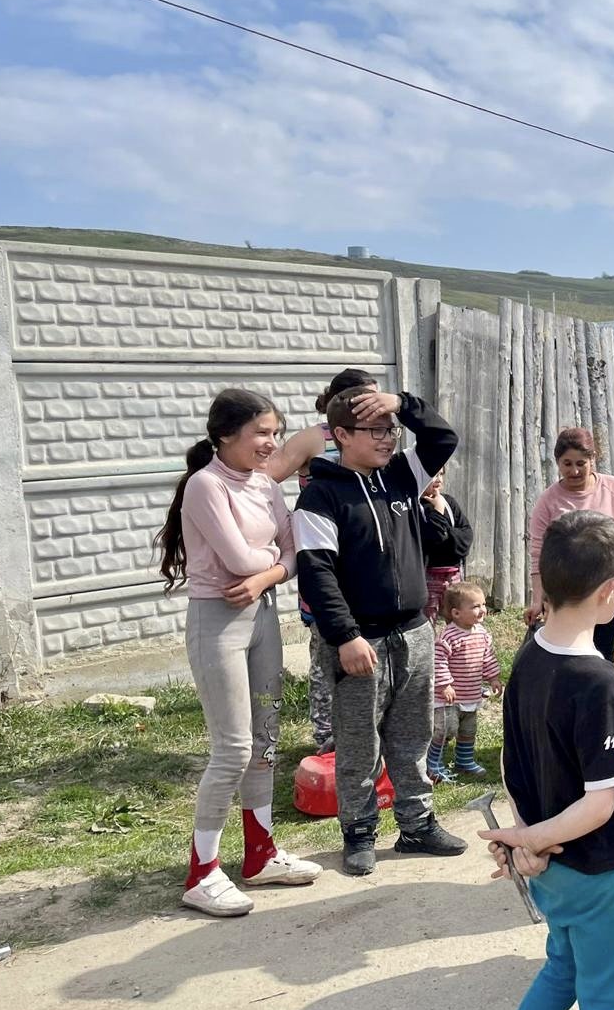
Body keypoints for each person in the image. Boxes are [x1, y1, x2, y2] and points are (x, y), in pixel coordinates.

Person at [471, 510, 614, 1010]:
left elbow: (511, 761)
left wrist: (529, 840)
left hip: (550, 865)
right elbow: (600, 805)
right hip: (599, 869)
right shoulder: (603, 683)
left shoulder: (527, 655)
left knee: (562, 970)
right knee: (607, 1004)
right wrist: (528, 838)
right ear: (610, 592)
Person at [156, 388, 321, 917]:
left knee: (265, 741)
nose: (272, 443)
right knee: (232, 748)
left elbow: (292, 555)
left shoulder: (265, 485)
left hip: (263, 617)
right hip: (219, 621)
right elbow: (236, 558)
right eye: (261, 433)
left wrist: (266, 574)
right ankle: (201, 873)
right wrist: (272, 563)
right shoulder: (206, 485)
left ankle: (260, 854)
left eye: (276, 433)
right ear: (226, 435)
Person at [293, 385, 467, 876]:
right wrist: (345, 637)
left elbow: (443, 439)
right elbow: (317, 573)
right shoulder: (321, 495)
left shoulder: (401, 475)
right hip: (359, 643)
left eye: (390, 429)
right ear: (341, 435)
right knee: (358, 744)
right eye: (374, 430)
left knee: (413, 737)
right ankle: (359, 832)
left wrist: (401, 404)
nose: (388, 438)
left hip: (413, 632)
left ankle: (417, 826)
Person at [266, 366, 379, 753]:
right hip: (326, 556)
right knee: (326, 650)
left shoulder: (376, 436)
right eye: (367, 398)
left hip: (367, 558)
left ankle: (366, 732)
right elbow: (262, 480)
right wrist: (281, 529)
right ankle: (327, 739)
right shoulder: (314, 438)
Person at [526, 427, 614, 662]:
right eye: (567, 464)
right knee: (569, 651)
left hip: (608, 590)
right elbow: (538, 553)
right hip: (568, 593)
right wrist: (538, 599)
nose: (574, 471)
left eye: (581, 463)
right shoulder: (548, 502)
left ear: (593, 459)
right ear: (557, 462)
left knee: (603, 652)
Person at [429, 580, 502, 783]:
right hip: (448, 698)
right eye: (475, 606)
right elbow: (438, 661)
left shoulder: (482, 634)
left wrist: (494, 678)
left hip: (471, 694)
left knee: (468, 730)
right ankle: (434, 763)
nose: (482, 610)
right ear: (456, 613)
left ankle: (464, 760)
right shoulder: (448, 637)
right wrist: (445, 685)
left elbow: (488, 658)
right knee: (446, 729)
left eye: (483, 605)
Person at [422, 469, 474, 623]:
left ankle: (456, 639)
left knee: (458, 619)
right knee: (427, 621)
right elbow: (433, 538)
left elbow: (466, 535)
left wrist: (446, 534)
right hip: (428, 576)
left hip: (454, 574)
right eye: (433, 475)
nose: (438, 479)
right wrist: (438, 510)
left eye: (441, 474)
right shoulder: (415, 507)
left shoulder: (449, 503)